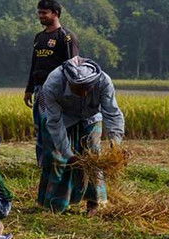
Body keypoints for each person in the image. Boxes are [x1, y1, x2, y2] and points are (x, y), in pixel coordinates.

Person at [36, 57, 125, 214]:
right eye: (79, 88)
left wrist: (115, 144)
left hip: (91, 117)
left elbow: (112, 113)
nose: (84, 93)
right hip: (63, 117)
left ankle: (94, 202)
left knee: (93, 156)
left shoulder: (103, 81)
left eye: (87, 88)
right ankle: (56, 204)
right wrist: (68, 153)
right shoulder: (53, 84)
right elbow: (54, 122)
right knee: (59, 159)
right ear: (70, 83)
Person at [23, 0, 79, 169]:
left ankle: (61, 162)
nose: (40, 16)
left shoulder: (66, 37)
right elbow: (34, 64)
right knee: (40, 126)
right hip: (40, 91)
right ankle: (43, 164)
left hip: (57, 92)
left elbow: (73, 67)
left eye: (44, 13)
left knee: (54, 126)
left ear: (55, 13)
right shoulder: (39, 37)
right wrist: (29, 89)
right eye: (39, 13)